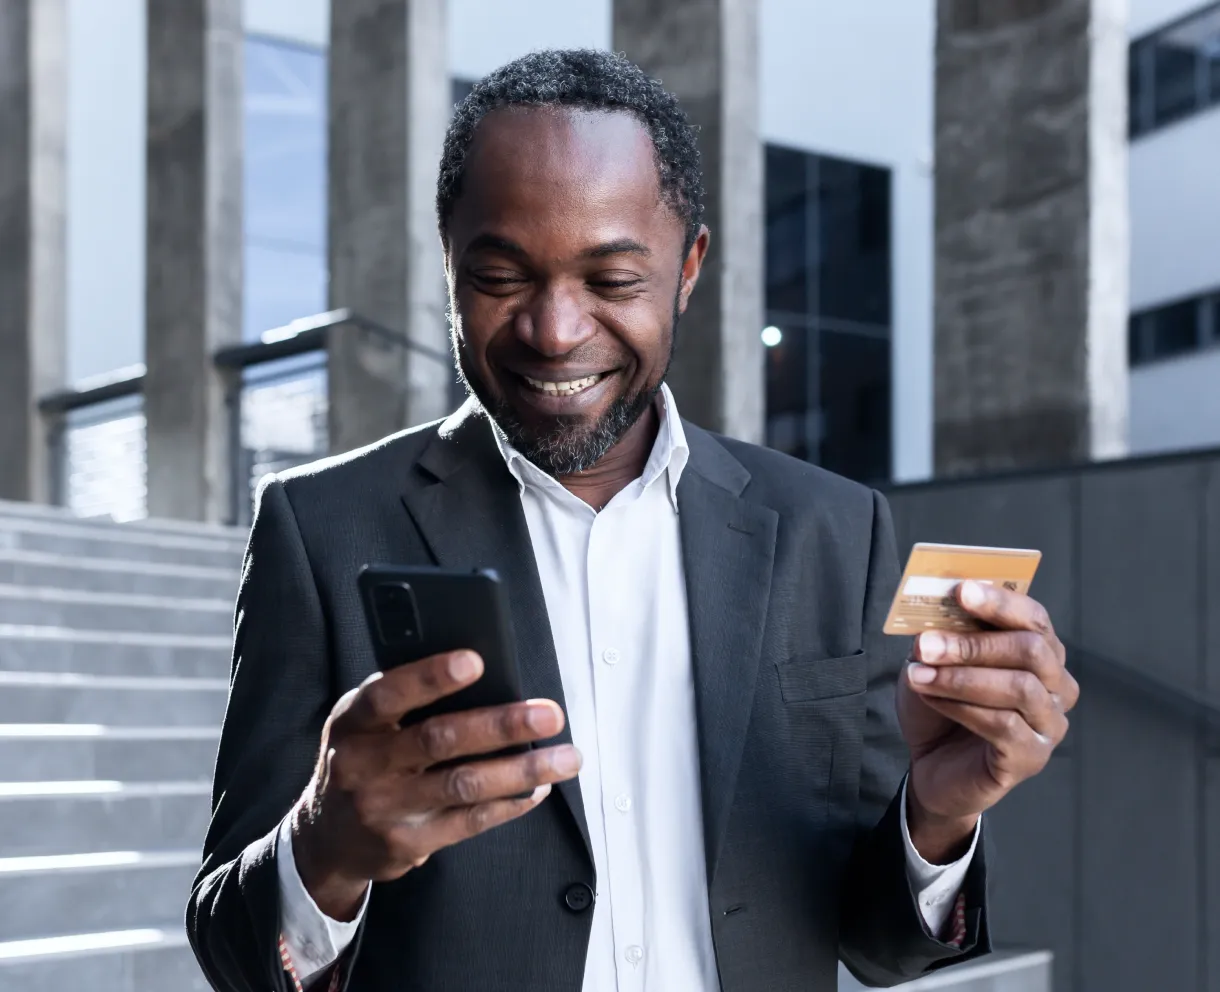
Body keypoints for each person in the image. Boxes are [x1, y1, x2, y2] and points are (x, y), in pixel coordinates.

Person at [187, 49, 1077, 992]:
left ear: (688, 267)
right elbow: (237, 953)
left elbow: (877, 946)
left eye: (611, 281)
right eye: (500, 276)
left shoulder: (833, 530)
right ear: (448, 262)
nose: (555, 331)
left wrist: (936, 815)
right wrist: (323, 850)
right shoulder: (319, 526)